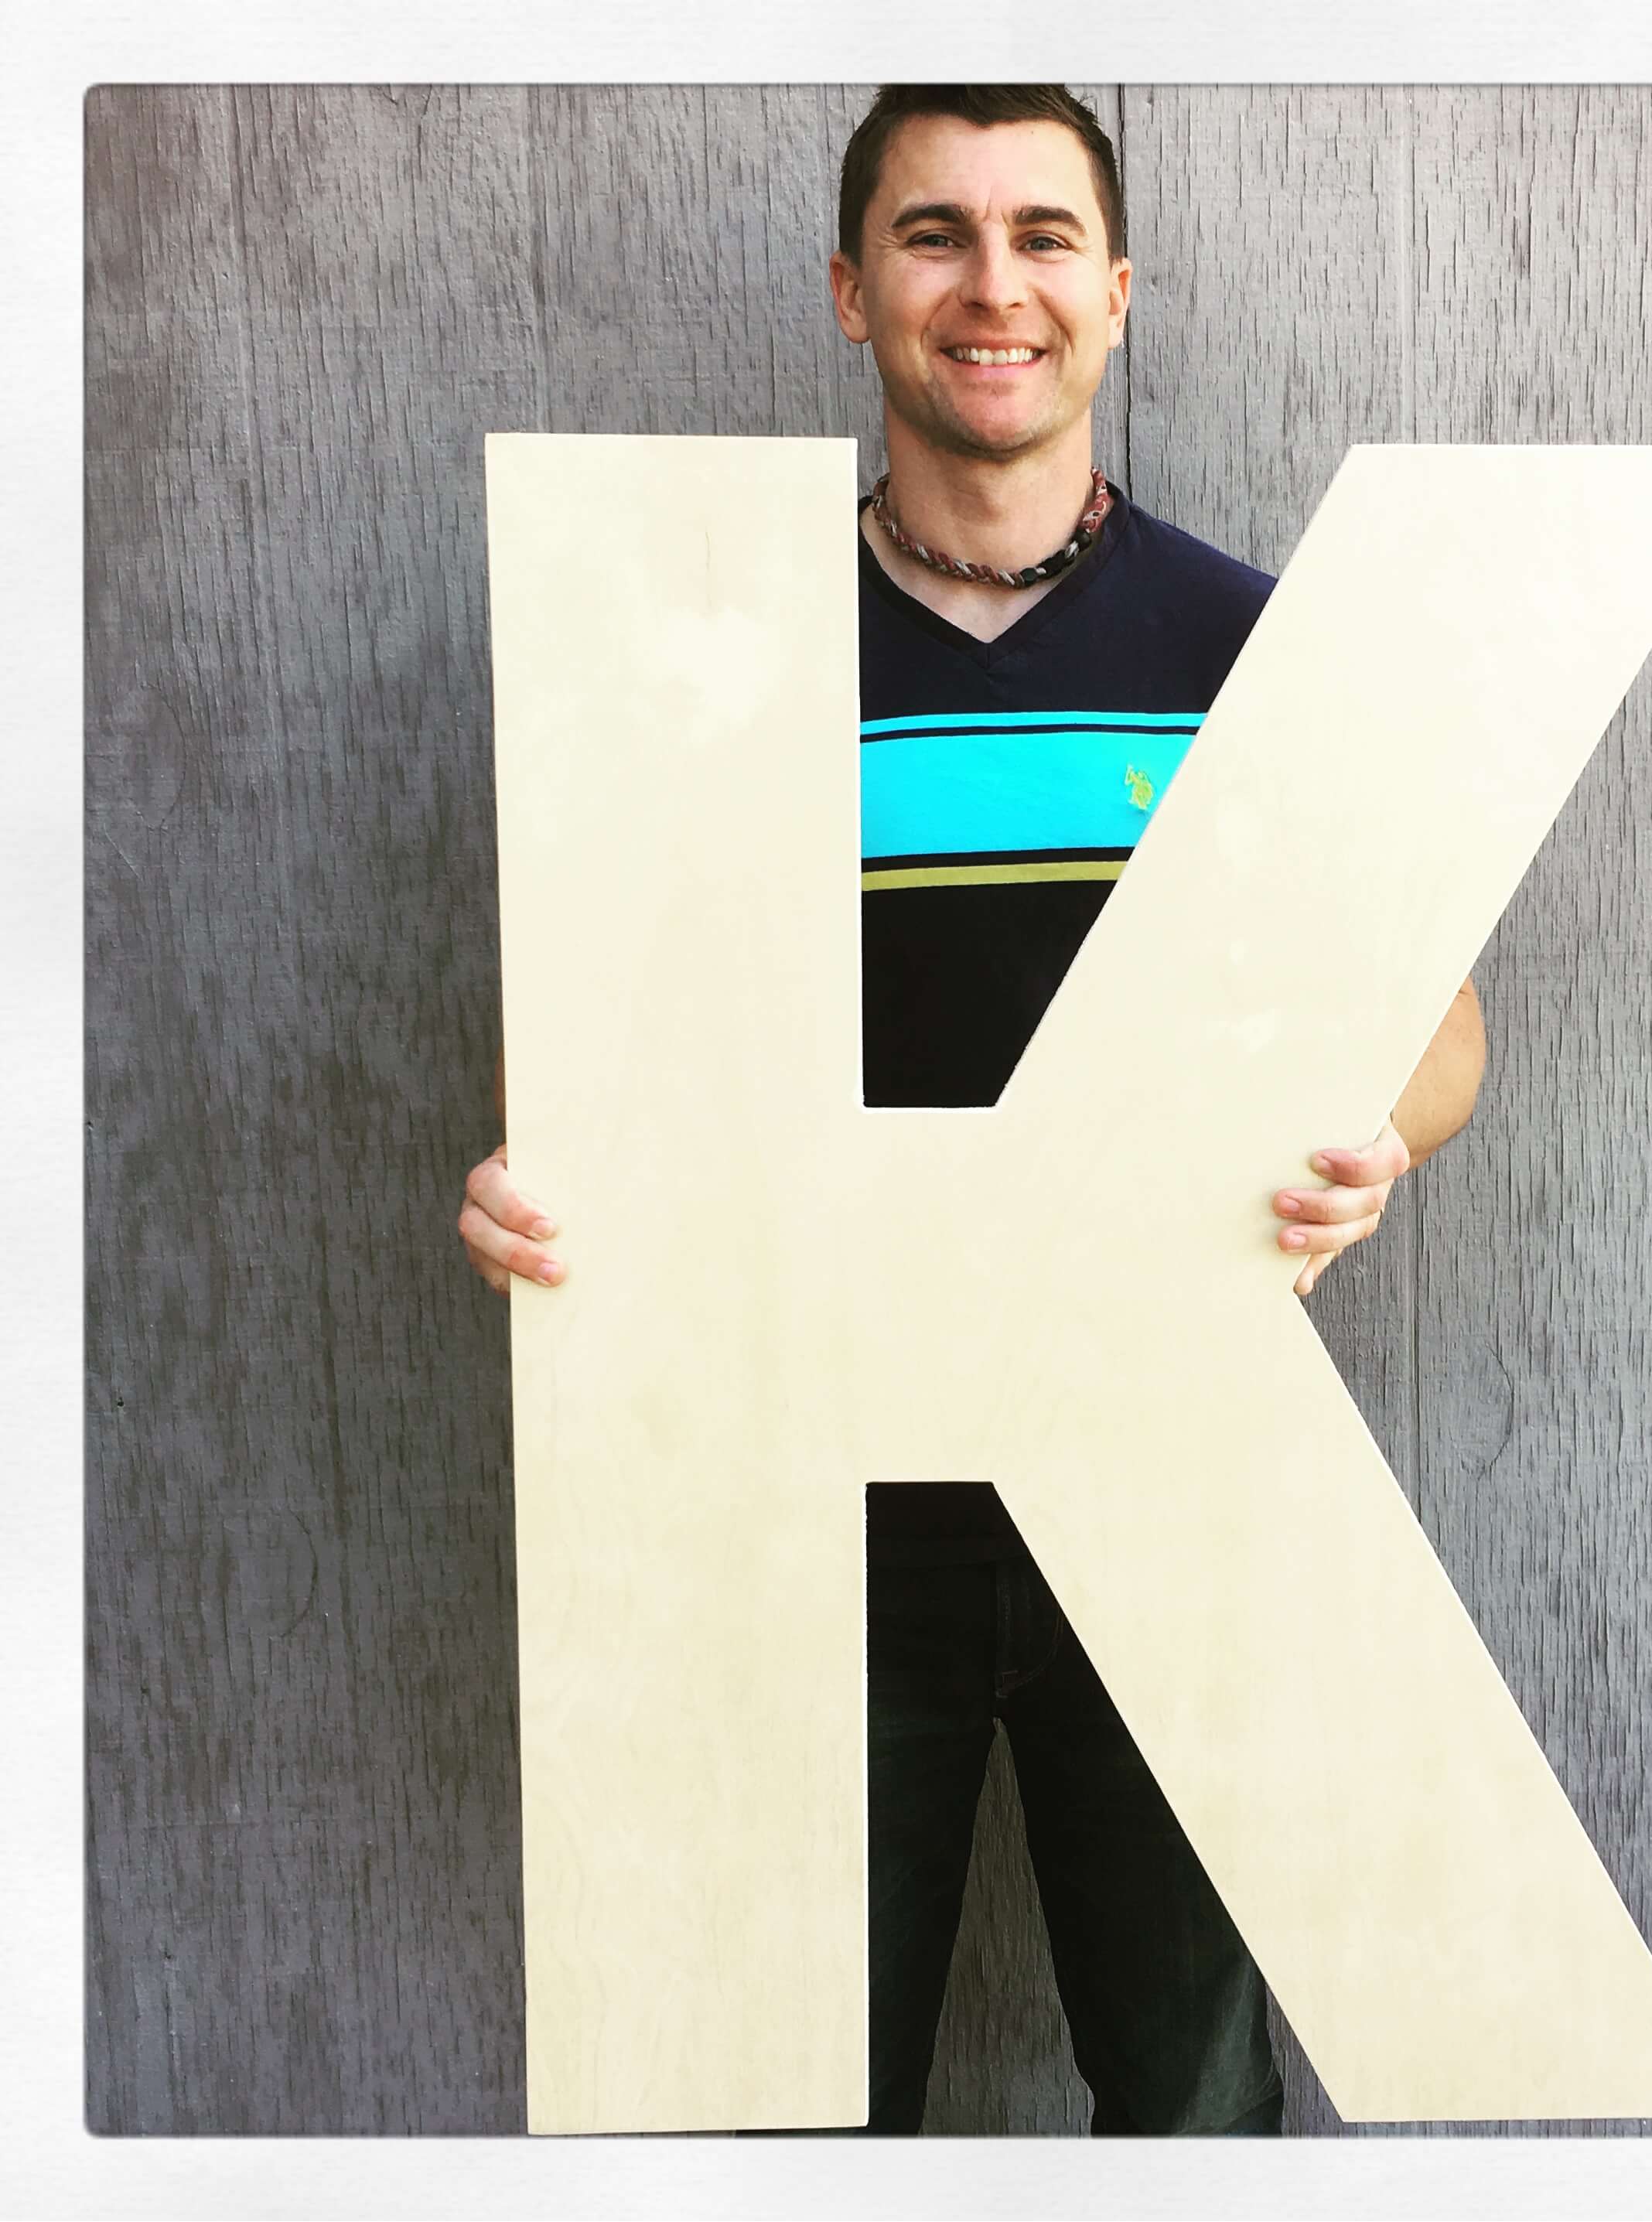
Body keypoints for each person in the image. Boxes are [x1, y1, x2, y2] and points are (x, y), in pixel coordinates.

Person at [457, 83, 1488, 2137]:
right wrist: (534, 1175)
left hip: (1173, 1484)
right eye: (934, 234)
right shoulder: (712, 662)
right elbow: (591, 1056)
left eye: (1042, 236)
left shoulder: (1250, 648)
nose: (990, 283)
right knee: (787, 2122)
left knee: (1196, 2113)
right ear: (853, 292)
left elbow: (1437, 1025)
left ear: (1117, 292)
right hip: (803, 1514)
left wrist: (1380, 1133)